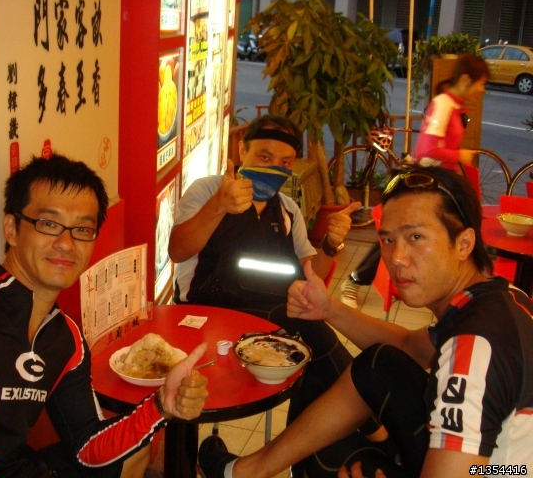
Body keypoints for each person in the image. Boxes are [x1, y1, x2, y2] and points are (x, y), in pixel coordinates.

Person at [198, 166, 533, 478]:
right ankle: (244, 471)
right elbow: (407, 346)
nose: (396, 258)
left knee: (329, 457)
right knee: (378, 363)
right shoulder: (502, 299)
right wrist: (326, 309)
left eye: (416, 237)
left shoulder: (473, 350)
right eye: (388, 240)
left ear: (464, 244)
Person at [0, 155, 209, 478]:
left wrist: (161, 405)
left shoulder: (66, 340)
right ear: (11, 229)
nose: (66, 244)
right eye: (48, 223)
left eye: (82, 229)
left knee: (135, 451)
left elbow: (87, 445)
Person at [170, 115, 394, 477]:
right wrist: (218, 206)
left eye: (284, 162)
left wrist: (331, 243)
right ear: (242, 150)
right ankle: (378, 430)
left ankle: (294, 466)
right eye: (264, 156)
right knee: (307, 329)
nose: (273, 168)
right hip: (207, 316)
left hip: (269, 320)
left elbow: (311, 279)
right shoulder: (207, 191)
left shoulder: (287, 209)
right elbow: (177, 250)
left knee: (312, 359)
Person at [341, 54, 490, 308]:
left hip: (441, 187)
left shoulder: (453, 105)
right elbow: (427, 150)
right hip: (426, 188)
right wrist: (459, 155)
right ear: (466, 80)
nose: (482, 90)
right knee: (399, 236)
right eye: (481, 83)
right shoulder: (443, 104)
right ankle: (354, 281)